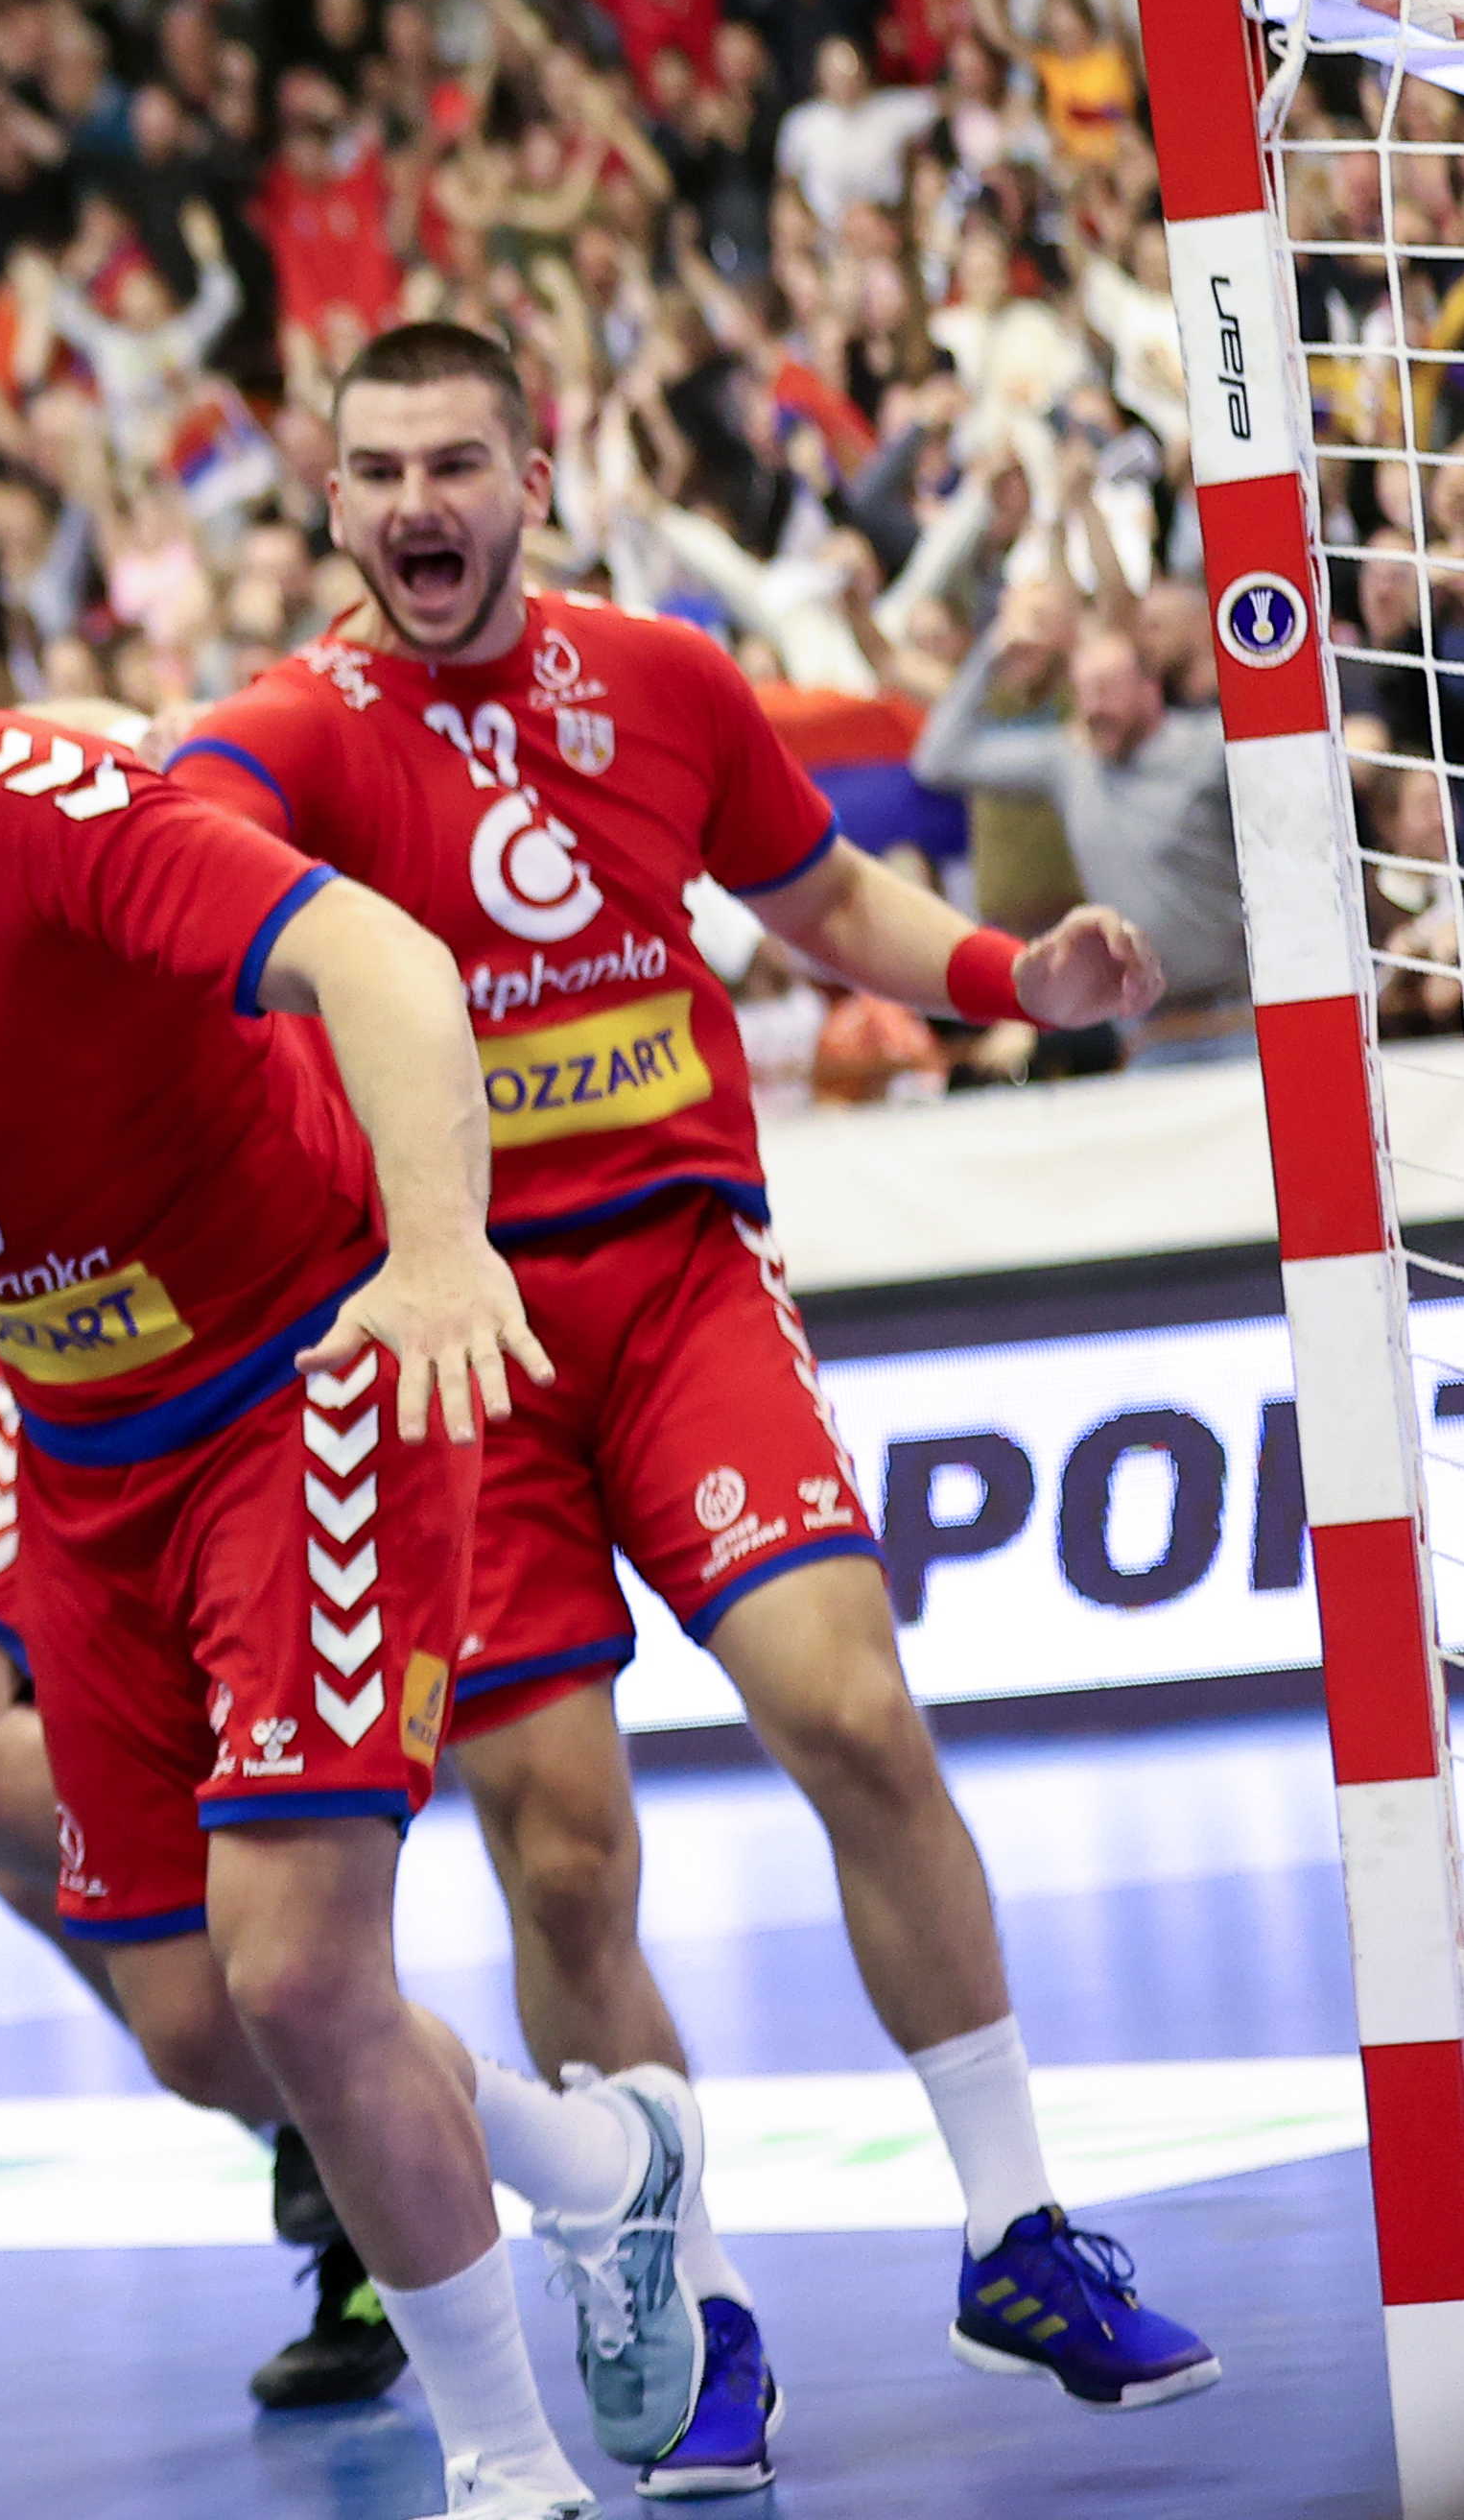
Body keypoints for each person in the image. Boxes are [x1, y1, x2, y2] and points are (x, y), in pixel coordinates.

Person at [0, 468, 702, 2520]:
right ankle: (602, 2163)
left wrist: (441, 1244)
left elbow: (369, 954)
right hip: (84, 1454)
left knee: (301, 1970)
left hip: (308, 1387)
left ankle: (508, 2464)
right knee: (206, 2027)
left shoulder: (36, 805)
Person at [164, 321, 1213, 2483]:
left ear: (535, 476)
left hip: (678, 1284)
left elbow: (820, 896)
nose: (416, 505)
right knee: (566, 1864)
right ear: (333, 501)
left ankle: (1018, 2229)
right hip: (451, 1348)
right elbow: (175, 871)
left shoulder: (662, 678)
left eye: (456, 462)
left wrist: (1024, 978)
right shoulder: (278, 737)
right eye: (376, 473)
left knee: (851, 1709)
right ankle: (703, 2303)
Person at [908, 582, 1250, 1067]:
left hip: (1236, 1013)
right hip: (1146, 1028)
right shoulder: (1071, 762)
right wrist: (995, 650)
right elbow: (937, 762)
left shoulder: (1211, 747)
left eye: (1107, 690)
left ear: (1149, 688)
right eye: (1083, 694)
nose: (1092, 710)